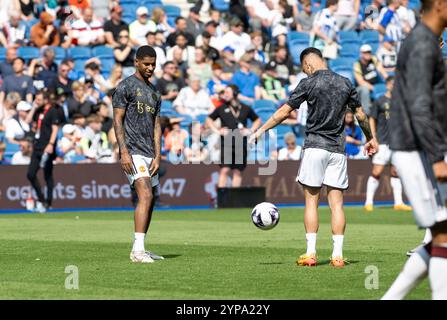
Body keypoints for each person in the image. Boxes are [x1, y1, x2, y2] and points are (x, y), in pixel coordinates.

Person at [250, 47, 378, 268]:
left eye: (304, 69)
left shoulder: (309, 82)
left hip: (315, 147)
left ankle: (311, 253)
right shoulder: (345, 82)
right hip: (338, 149)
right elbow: (360, 114)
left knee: (312, 201)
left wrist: (260, 131)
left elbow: (283, 112)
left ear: (308, 65)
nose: (305, 72)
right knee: (337, 205)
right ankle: (337, 256)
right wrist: (370, 138)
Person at [382, 0, 447, 300]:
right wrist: (435, 158)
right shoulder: (423, 44)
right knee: (443, 237)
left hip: (416, 148)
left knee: (440, 236)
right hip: (419, 150)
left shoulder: (423, 41)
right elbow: (419, 105)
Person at [112, 45, 163, 264]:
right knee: (146, 196)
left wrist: (158, 156)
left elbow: (157, 127)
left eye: (153, 64)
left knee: (150, 200)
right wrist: (123, 151)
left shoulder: (155, 92)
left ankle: (140, 247)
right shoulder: (125, 86)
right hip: (132, 150)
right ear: (136, 62)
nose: (151, 68)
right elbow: (117, 119)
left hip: (149, 153)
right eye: (146, 64)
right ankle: (137, 252)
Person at [364, 76, 412, 212]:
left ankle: (398, 203)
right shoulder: (380, 101)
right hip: (383, 142)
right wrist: (373, 137)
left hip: (397, 143)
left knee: (395, 171)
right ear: (387, 85)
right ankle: (368, 202)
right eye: (393, 84)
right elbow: (371, 119)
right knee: (377, 171)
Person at [206, 85, 261, 188]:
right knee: (225, 169)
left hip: (241, 143)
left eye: (228, 92)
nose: (225, 95)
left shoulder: (245, 108)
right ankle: (221, 198)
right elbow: (208, 120)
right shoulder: (221, 108)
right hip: (226, 143)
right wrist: (217, 131)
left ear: (235, 93)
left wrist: (250, 130)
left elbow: (257, 120)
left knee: (237, 171)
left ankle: (234, 198)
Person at [27, 91, 61, 213]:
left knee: (47, 175)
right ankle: (41, 199)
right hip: (37, 146)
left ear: (46, 100)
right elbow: (27, 121)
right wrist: (34, 107)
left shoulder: (53, 111)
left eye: (39, 99)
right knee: (30, 174)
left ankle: (48, 202)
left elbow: (55, 129)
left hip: (47, 146)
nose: (37, 101)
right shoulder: (38, 111)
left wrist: (51, 144)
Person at [353, 44, 389, 115]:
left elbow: (382, 70)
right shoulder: (357, 64)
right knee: (365, 89)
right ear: (361, 53)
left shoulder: (373, 59)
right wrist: (373, 88)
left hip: (373, 85)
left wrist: (389, 81)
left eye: (369, 52)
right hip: (360, 89)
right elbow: (360, 82)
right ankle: (367, 114)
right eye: (365, 52)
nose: (368, 54)